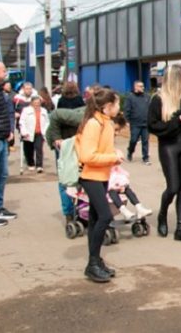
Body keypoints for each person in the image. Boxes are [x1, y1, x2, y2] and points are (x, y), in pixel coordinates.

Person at [75, 87, 124, 283]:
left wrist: (114, 156)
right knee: (104, 216)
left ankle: (95, 261)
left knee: (96, 219)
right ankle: (92, 264)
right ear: (107, 107)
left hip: (101, 176)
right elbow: (87, 156)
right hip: (91, 176)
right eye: (117, 104)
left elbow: (102, 149)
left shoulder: (106, 123)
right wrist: (113, 157)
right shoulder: (94, 124)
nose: (119, 107)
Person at [148, 63, 181, 243]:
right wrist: (177, 121)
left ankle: (180, 227)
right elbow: (153, 126)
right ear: (176, 79)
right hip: (168, 146)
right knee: (173, 187)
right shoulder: (158, 99)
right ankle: (162, 215)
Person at [107, 114, 153, 221]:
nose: (117, 133)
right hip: (104, 174)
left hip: (113, 172)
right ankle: (123, 210)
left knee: (126, 188)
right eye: (116, 130)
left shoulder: (109, 140)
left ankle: (138, 206)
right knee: (112, 190)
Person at [46, 104, 86, 224]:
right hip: (62, 142)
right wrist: (57, 137)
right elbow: (55, 114)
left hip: (77, 143)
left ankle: (82, 212)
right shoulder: (81, 117)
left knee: (82, 178)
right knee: (67, 180)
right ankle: (69, 214)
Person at [0, 61, 15, 227]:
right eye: (3, 69)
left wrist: (8, 132)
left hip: (2, 139)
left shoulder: (0, 90)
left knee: (1, 175)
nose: (5, 72)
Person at [19, 96, 49, 172]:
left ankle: (39, 166)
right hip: (28, 133)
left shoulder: (44, 111)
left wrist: (45, 131)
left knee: (39, 149)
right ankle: (31, 163)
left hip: (39, 132)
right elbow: (22, 121)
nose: (37, 104)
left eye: (38, 103)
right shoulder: (26, 110)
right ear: (31, 103)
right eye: (35, 103)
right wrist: (23, 131)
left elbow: (47, 122)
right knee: (28, 149)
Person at [124, 80, 151, 165]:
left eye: (143, 86)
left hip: (145, 123)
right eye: (140, 86)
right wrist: (127, 120)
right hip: (135, 123)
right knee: (133, 140)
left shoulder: (147, 97)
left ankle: (145, 157)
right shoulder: (130, 97)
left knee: (145, 141)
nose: (142, 88)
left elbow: (150, 108)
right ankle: (130, 152)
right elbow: (127, 109)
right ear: (135, 87)